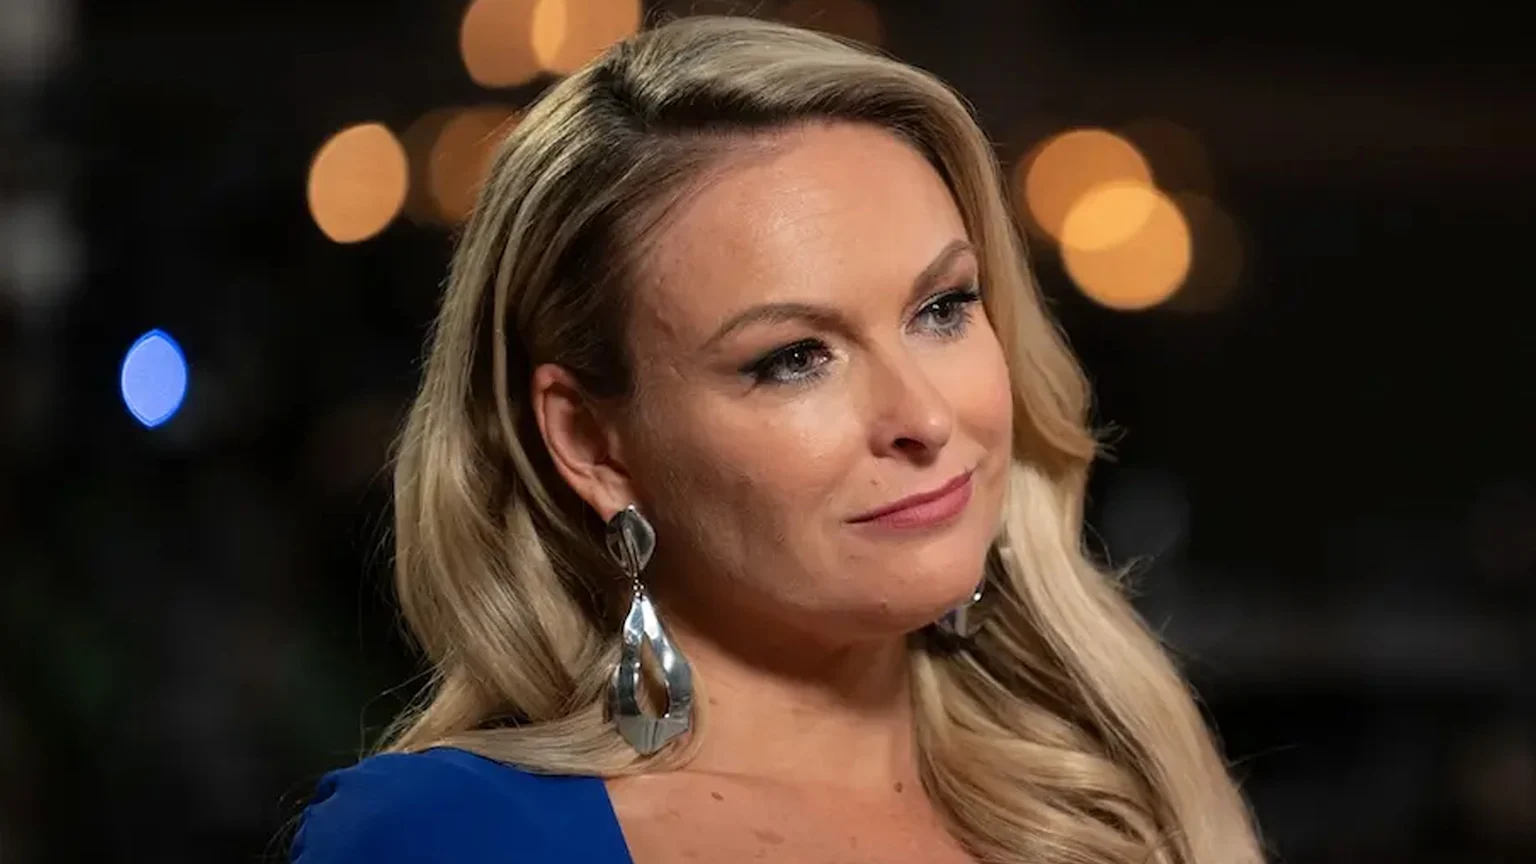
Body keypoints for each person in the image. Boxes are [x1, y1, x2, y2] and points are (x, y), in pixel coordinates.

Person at [290, 14, 1265, 864]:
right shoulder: (449, 839)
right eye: (795, 358)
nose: (926, 419)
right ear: (592, 444)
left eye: (942, 307)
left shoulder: (1114, 803)